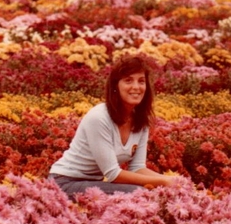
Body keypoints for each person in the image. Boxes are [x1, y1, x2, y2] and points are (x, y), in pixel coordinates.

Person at [49, 55, 176, 197]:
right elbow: (113, 174)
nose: (136, 87)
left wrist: (171, 181)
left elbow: (137, 168)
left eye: (141, 81)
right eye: (128, 80)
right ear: (116, 86)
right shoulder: (99, 117)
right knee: (140, 193)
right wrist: (163, 183)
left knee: (154, 191)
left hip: (92, 183)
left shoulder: (141, 121)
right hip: (64, 183)